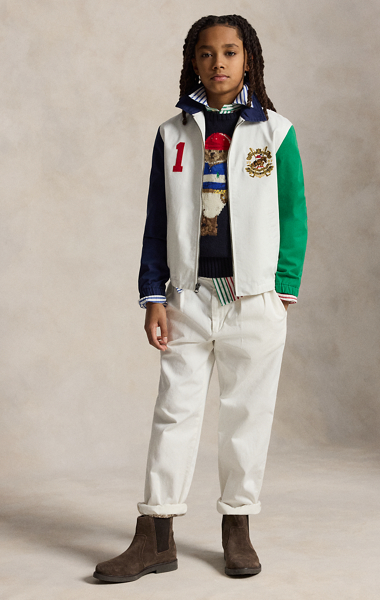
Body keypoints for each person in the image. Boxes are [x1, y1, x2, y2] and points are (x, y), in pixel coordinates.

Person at [93, 14, 307, 583]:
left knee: (247, 415)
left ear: (248, 60)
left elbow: (293, 213)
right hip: (188, 297)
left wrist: (282, 288)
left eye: (230, 52)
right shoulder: (173, 134)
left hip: (254, 299)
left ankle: (237, 525)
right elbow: (157, 220)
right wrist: (153, 295)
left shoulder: (276, 133)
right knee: (175, 412)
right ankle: (156, 535)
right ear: (193, 61)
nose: (218, 63)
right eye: (207, 53)